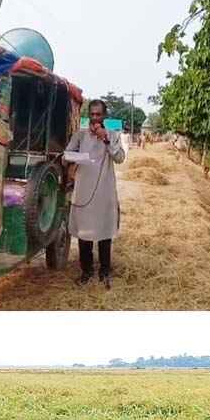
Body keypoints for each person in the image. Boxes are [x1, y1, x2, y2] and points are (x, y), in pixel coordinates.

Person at [66, 99, 126, 288]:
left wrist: (106, 138)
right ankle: (86, 271)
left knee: (103, 231)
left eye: (98, 115)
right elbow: (68, 151)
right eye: (91, 114)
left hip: (104, 190)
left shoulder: (113, 133)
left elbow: (120, 158)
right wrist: (71, 158)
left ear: (104, 116)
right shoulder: (81, 133)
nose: (94, 118)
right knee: (85, 232)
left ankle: (105, 271)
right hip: (84, 189)